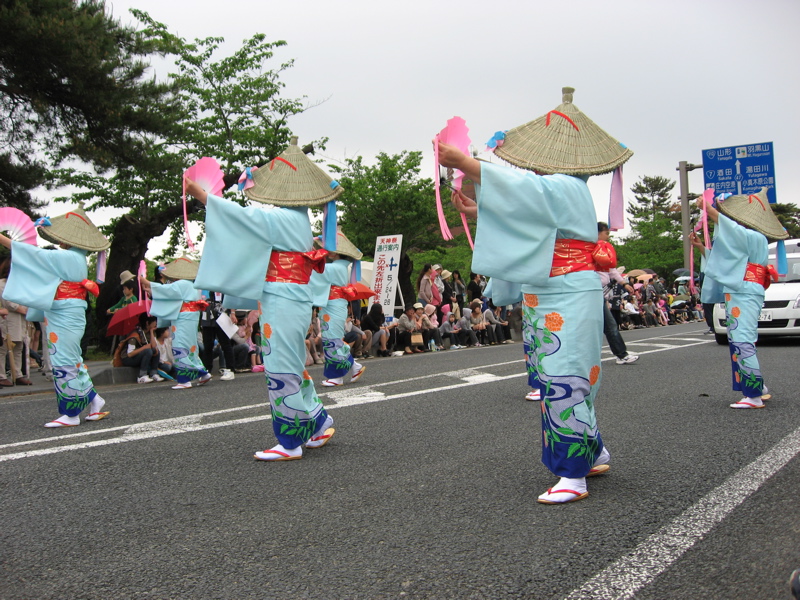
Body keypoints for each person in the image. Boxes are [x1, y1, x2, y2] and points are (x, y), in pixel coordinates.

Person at [437, 86, 630, 504]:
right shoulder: (561, 189)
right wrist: (474, 210)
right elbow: (526, 208)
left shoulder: (566, 186)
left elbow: (527, 194)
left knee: (564, 374)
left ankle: (573, 473)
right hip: (551, 289)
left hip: (567, 288)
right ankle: (592, 450)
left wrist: (467, 164)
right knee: (559, 372)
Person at [187, 137, 336, 461]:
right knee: (289, 362)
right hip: (289, 296)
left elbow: (243, 218)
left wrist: (202, 195)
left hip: (283, 297)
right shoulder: (297, 216)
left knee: (281, 365)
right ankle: (316, 421)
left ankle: (290, 441)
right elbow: (252, 218)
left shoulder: (284, 218)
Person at [0, 204, 110, 427]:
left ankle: (71, 413)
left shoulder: (69, 257)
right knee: (72, 359)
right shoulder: (74, 257)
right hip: (65, 311)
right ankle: (94, 400)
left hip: (65, 312)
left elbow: (34, 255)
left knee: (64, 361)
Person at [693, 187, 786, 409]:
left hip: (744, 290)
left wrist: (709, 210)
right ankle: (756, 386)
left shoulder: (752, 236)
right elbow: (727, 257)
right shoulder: (752, 237)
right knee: (739, 338)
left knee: (742, 339)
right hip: (743, 289)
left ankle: (753, 395)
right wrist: (701, 247)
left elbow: (731, 231)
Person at [139, 257, 211, 390]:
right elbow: (170, 294)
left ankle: (185, 380)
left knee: (180, 346)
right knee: (190, 347)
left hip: (183, 318)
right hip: (190, 317)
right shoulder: (191, 284)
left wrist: (145, 282)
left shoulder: (181, 284)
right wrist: (151, 290)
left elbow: (166, 291)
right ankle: (203, 373)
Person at [310, 232, 367, 387]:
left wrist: (311, 257)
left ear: (334, 252)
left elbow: (315, 272)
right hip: (335, 305)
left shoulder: (335, 268)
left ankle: (337, 377)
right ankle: (355, 366)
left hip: (333, 305)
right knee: (332, 339)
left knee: (332, 340)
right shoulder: (341, 266)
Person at [597, 222, 639, 365]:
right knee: (607, 326)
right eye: (606, 233)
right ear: (598, 233)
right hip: (590, 293)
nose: (608, 236)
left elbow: (612, 270)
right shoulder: (589, 248)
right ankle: (621, 354)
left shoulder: (602, 249)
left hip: (598, 293)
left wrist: (624, 283)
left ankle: (621, 354)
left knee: (609, 325)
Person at [0, 258, 32, 385]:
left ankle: (17, 374)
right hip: (8, 318)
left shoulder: (19, 284)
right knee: (4, 347)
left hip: (20, 318)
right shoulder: (2, 284)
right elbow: (8, 302)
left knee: (19, 346)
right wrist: (23, 310)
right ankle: (2, 375)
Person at [199, 291, 236, 381]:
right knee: (207, 344)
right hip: (207, 315)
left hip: (222, 314)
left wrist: (233, 313)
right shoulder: (203, 286)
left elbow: (231, 296)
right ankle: (207, 370)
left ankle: (230, 369)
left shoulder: (223, 284)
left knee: (225, 344)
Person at [120, 314, 163, 383]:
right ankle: (142, 376)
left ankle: (153, 373)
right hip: (128, 359)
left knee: (155, 351)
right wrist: (144, 347)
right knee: (148, 351)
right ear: (147, 323)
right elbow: (130, 354)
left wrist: (151, 332)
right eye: (154, 321)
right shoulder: (135, 335)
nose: (156, 323)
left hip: (139, 355)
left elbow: (154, 346)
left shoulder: (149, 333)